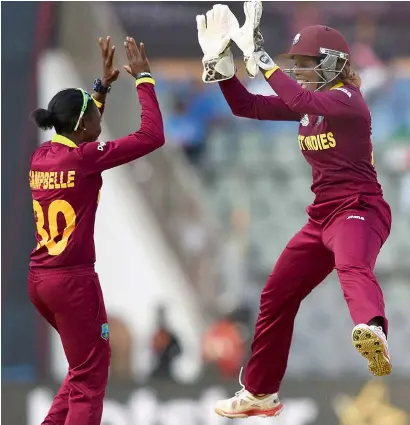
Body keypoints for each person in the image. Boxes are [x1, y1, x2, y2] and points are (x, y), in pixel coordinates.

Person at [197, 2, 392, 419]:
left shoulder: (348, 100)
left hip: (360, 209)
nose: (301, 70)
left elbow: (300, 95)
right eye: (297, 64)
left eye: (307, 63)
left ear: (335, 63)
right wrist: (220, 67)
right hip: (321, 216)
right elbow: (245, 106)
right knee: (276, 295)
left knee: (352, 267)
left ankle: (373, 330)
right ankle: (260, 392)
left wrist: (261, 60)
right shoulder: (309, 104)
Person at [28, 36, 164, 425]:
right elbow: (152, 136)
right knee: (90, 379)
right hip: (72, 282)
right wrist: (145, 80)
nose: (99, 122)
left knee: (81, 368)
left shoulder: (43, 156)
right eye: (95, 117)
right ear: (83, 125)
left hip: (41, 280)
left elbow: (78, 126)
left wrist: (99, 89)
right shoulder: (85, 158)